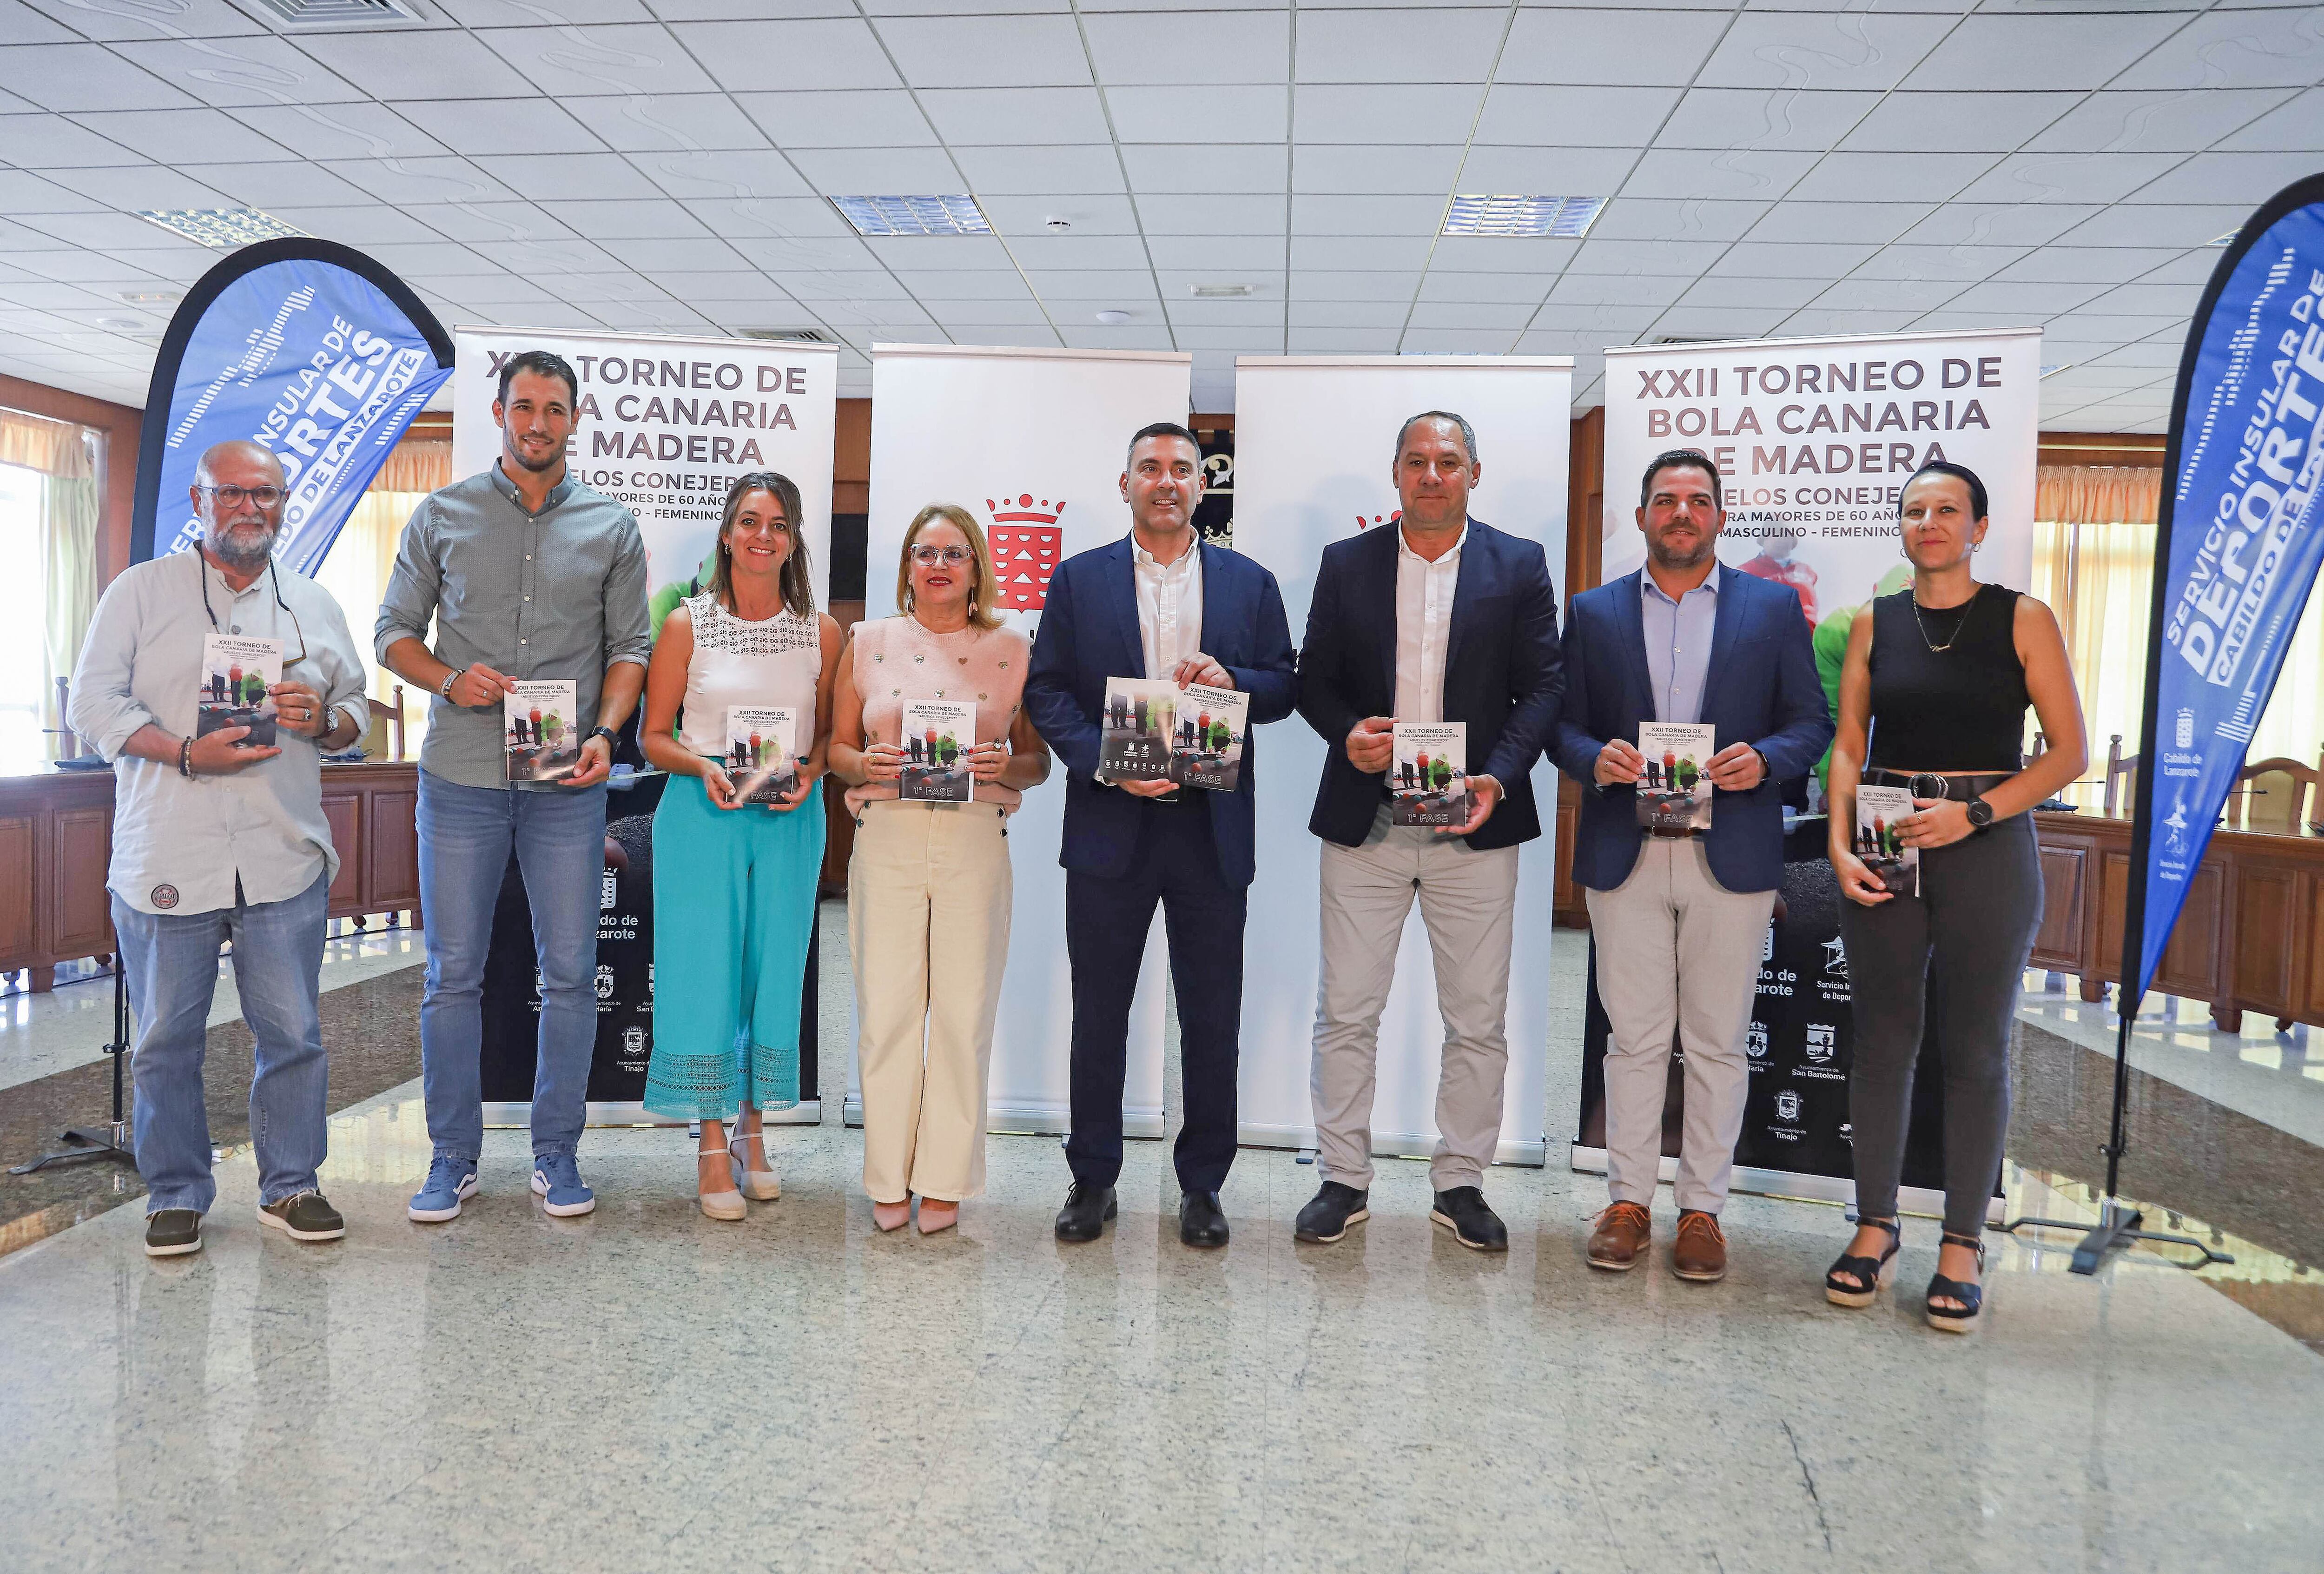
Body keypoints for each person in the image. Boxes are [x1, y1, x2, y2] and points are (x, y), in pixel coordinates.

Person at [69, 440, 368, 1257]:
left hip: (281, 855)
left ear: (284, 504)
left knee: (295, 1034)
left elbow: (356, 714)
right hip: (170, 853)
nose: (249, 509)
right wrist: (186, 753)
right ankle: (175, 1190)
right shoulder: (139, 593)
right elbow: (92, 704)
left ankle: (292, 1184)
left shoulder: (313, 602)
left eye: (265, 496)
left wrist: (323, 719)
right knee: (167, 1037)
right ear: (199, 502)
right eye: (230, 494)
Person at [376, 349, 651, 1224]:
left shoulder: (611, 526)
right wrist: (451, 679)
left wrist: (608, 733)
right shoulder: (442, 514)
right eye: (524, 405)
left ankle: (555, 1156)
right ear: (500, 411)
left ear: (575, 419)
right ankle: (452, 1157)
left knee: (569, 972)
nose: (538, 422)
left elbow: (631, 652)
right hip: (459, 779)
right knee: (452, 976)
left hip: (566, 784)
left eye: (555, 409)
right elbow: (393, 633)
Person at [1551, 450, 1834, 1281]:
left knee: (1715, 1042)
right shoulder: (1594, 612)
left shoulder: (1774, 610)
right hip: (1626, 852)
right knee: (1635, 1041)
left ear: (1719, 516)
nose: (1682, 512)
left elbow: (1809, 723)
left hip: (1733, 854)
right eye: (1666, 500)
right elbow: (1561, 726)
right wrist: (1590, 758)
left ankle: (1704, 1210)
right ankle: (1628, 1201)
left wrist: (1770, 761)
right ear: (1641, 517)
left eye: (1698, 500)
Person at [1290, 410, 1564, 1253]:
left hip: (1474, 825)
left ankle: (1461, 1182)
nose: (1433, 475)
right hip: (1367, 821)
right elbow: (1314, 681)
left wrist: (1500, 777)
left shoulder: (1517, 565)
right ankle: (1343, 1178)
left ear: (1474, 474)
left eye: (1449, 461)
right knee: (1347, 1009)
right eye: (1418, 461)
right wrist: (1347, 735)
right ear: (1397, 474)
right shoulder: (1348, 564)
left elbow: (1545, 690)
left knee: (1477, 1016)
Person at [1826, 461, 2084, 1332]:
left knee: (1975, 1048)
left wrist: (1973, 814)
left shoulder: (2024, 617)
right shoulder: (1876, 622)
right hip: (1886, 833)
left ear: (1978, 526)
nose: (1929, 522)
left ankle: (1963, 1243)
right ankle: (1874, 1226)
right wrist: (1836, 837)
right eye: (1914, 510)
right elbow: (1850, 747)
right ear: (1900, 528)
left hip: (1986, 843)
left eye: (1947, 510)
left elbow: (2066, 754)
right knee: (1883, 1040)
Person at [1024, 421, 1297, 1248]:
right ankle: (1093, 1177)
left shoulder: (1250, 583)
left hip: (1212, 832)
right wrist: (1106, 762)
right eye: (1151, 467)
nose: (1167, 481)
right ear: (1126, 482)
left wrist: (1234, 680)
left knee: (1211, 1017)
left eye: (1182, 468)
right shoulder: (1078, 581)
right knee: (1100, 1014)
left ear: (1201, 487)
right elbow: (1047, 693)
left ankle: (1204, 1186)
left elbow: (1285, 685)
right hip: (1112, 826)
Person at [828, 503, 1050, 1234]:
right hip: (887, 833)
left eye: (954, 552)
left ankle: (946, 1178)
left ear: (976, 565)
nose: (939, 565)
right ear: (907, 566)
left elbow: (1037, 762)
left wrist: (1002, 762)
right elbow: (836, 750)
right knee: (888, 1011)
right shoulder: (868, 641)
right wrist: (864, 761)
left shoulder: (1011, 647)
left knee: (963, 1013)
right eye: (925, 552)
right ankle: (888, 1175)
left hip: (973, 838)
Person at [636, 472, 840, 1220]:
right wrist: (704, 765)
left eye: (779, 523)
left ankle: (757, 1132)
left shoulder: (822, 632)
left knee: (772, 971)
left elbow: (829, 740)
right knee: (704, 971)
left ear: (793, 540)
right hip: (703, 812)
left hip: (790, 816)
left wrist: (811, 773)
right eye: (750, 521)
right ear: (726, 533)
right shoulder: (688, 624)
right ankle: (711, 1140)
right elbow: (652, 737)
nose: (764, 535)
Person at [1740, 523, 1818, 623]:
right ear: (1764, 539)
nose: (1780, 539)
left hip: (1808, 635)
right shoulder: (1745, 572)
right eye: (1774, 533)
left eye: (1786, 534)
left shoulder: (1807, 571)